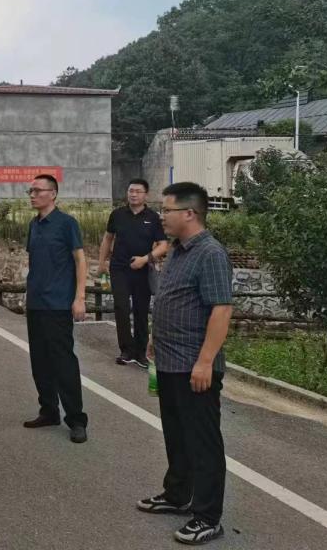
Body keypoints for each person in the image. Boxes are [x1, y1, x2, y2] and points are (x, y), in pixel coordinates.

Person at [137, 182, 233, 546]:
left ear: (189, 213)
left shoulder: (210, 254)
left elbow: (221, 310)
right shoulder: (177, 249)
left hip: (195, 365)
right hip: (170, 359)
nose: (162, 216)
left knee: (203, 441)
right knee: (176, 433)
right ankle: (178, 494)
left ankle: (208, 516)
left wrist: (205, 362)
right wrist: (154, 336)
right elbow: (171, 298)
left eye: (167, 210)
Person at [22, 174, 89, 444]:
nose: (32, 195)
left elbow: (80, 260)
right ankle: (48, 410)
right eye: (30, 191)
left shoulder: (66, 223)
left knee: (63, 362)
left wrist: (79, 297)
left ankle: (76, 419)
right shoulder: (34, 224)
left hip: (58, 303)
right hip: (36, 303)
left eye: (37, 191)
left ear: (53, 193)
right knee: (39, 360)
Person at [99, 178, 168, 368]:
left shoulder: (153, 218)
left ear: (146, 195)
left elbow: (163, 245)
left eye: (138, 191)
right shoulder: (117, 214)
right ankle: (126, 350)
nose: (133, 194)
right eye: (131, 191)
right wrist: (102, 262)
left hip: (142, 270)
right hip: (119, 268)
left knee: (140, 310)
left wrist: (145, 259)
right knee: (121, 307)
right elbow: (108, 238)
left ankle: (140, 352)